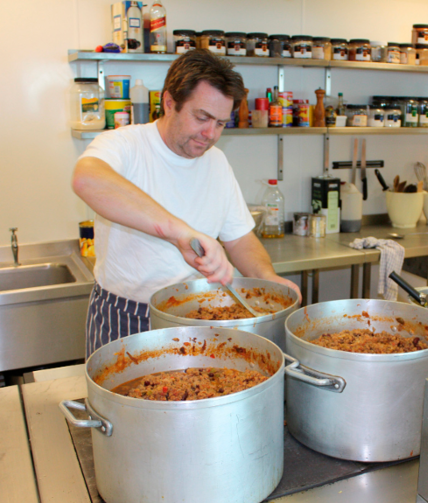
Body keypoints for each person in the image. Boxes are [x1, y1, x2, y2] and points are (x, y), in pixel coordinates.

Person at [72, 49, 300, 357]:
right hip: (125, 314)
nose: (210, 134)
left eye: (221, 123)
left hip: (198, 317)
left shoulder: (216, 162)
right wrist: (181, 233)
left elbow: (240, 238)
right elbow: (86, 179)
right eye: (202, 117)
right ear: (169, 102)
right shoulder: (125, 144)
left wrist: (267, 278)